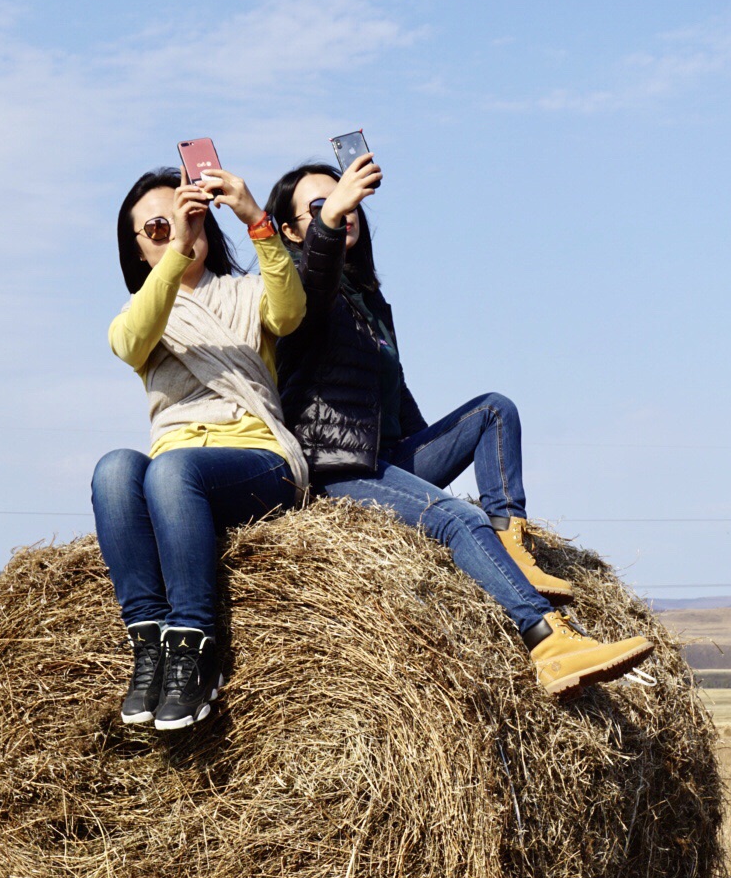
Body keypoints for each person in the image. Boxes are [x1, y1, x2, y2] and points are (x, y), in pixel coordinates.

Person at [267, 155, 652, 699]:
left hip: (387, 457)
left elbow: (396, 400)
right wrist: (330, 223)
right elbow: (314, 277)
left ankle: (511, 546)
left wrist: (431, 461)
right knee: (454, 521)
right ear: (289, 229)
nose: (342, 208)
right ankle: (547, 641)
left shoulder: (369, 301)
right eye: (321, 205)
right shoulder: (295, 292)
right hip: (337, 468)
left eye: (346, 199)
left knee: (494, 410)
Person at [93, 163, 307, 731]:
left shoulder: (248, 293)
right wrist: (174, 259)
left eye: (187, 218)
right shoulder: (140, 313)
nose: (177, 233)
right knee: (115, 469)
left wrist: (256, 219)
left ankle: (195, 645)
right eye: (157, 229)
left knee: (169, 473)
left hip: (260, 460)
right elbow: (131, 342)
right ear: (139, 250)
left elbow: (290, 313)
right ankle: (149, 647)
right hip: (179, 468)